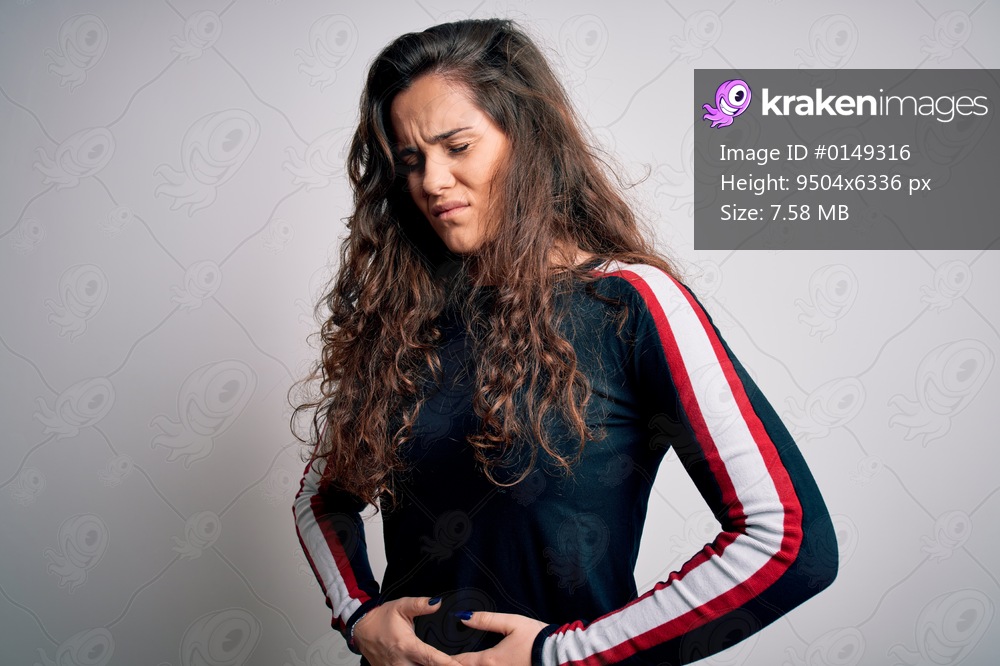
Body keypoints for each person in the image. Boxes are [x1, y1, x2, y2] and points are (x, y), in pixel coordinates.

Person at [292, 17, 838, 666]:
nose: (431, 181)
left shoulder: (630, 304)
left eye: (457, 146)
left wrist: (566, 653)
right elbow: (320, 501)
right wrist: (358, 616)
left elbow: (788, 540)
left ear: (526, 140)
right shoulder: (405, 321)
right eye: (411, 159)